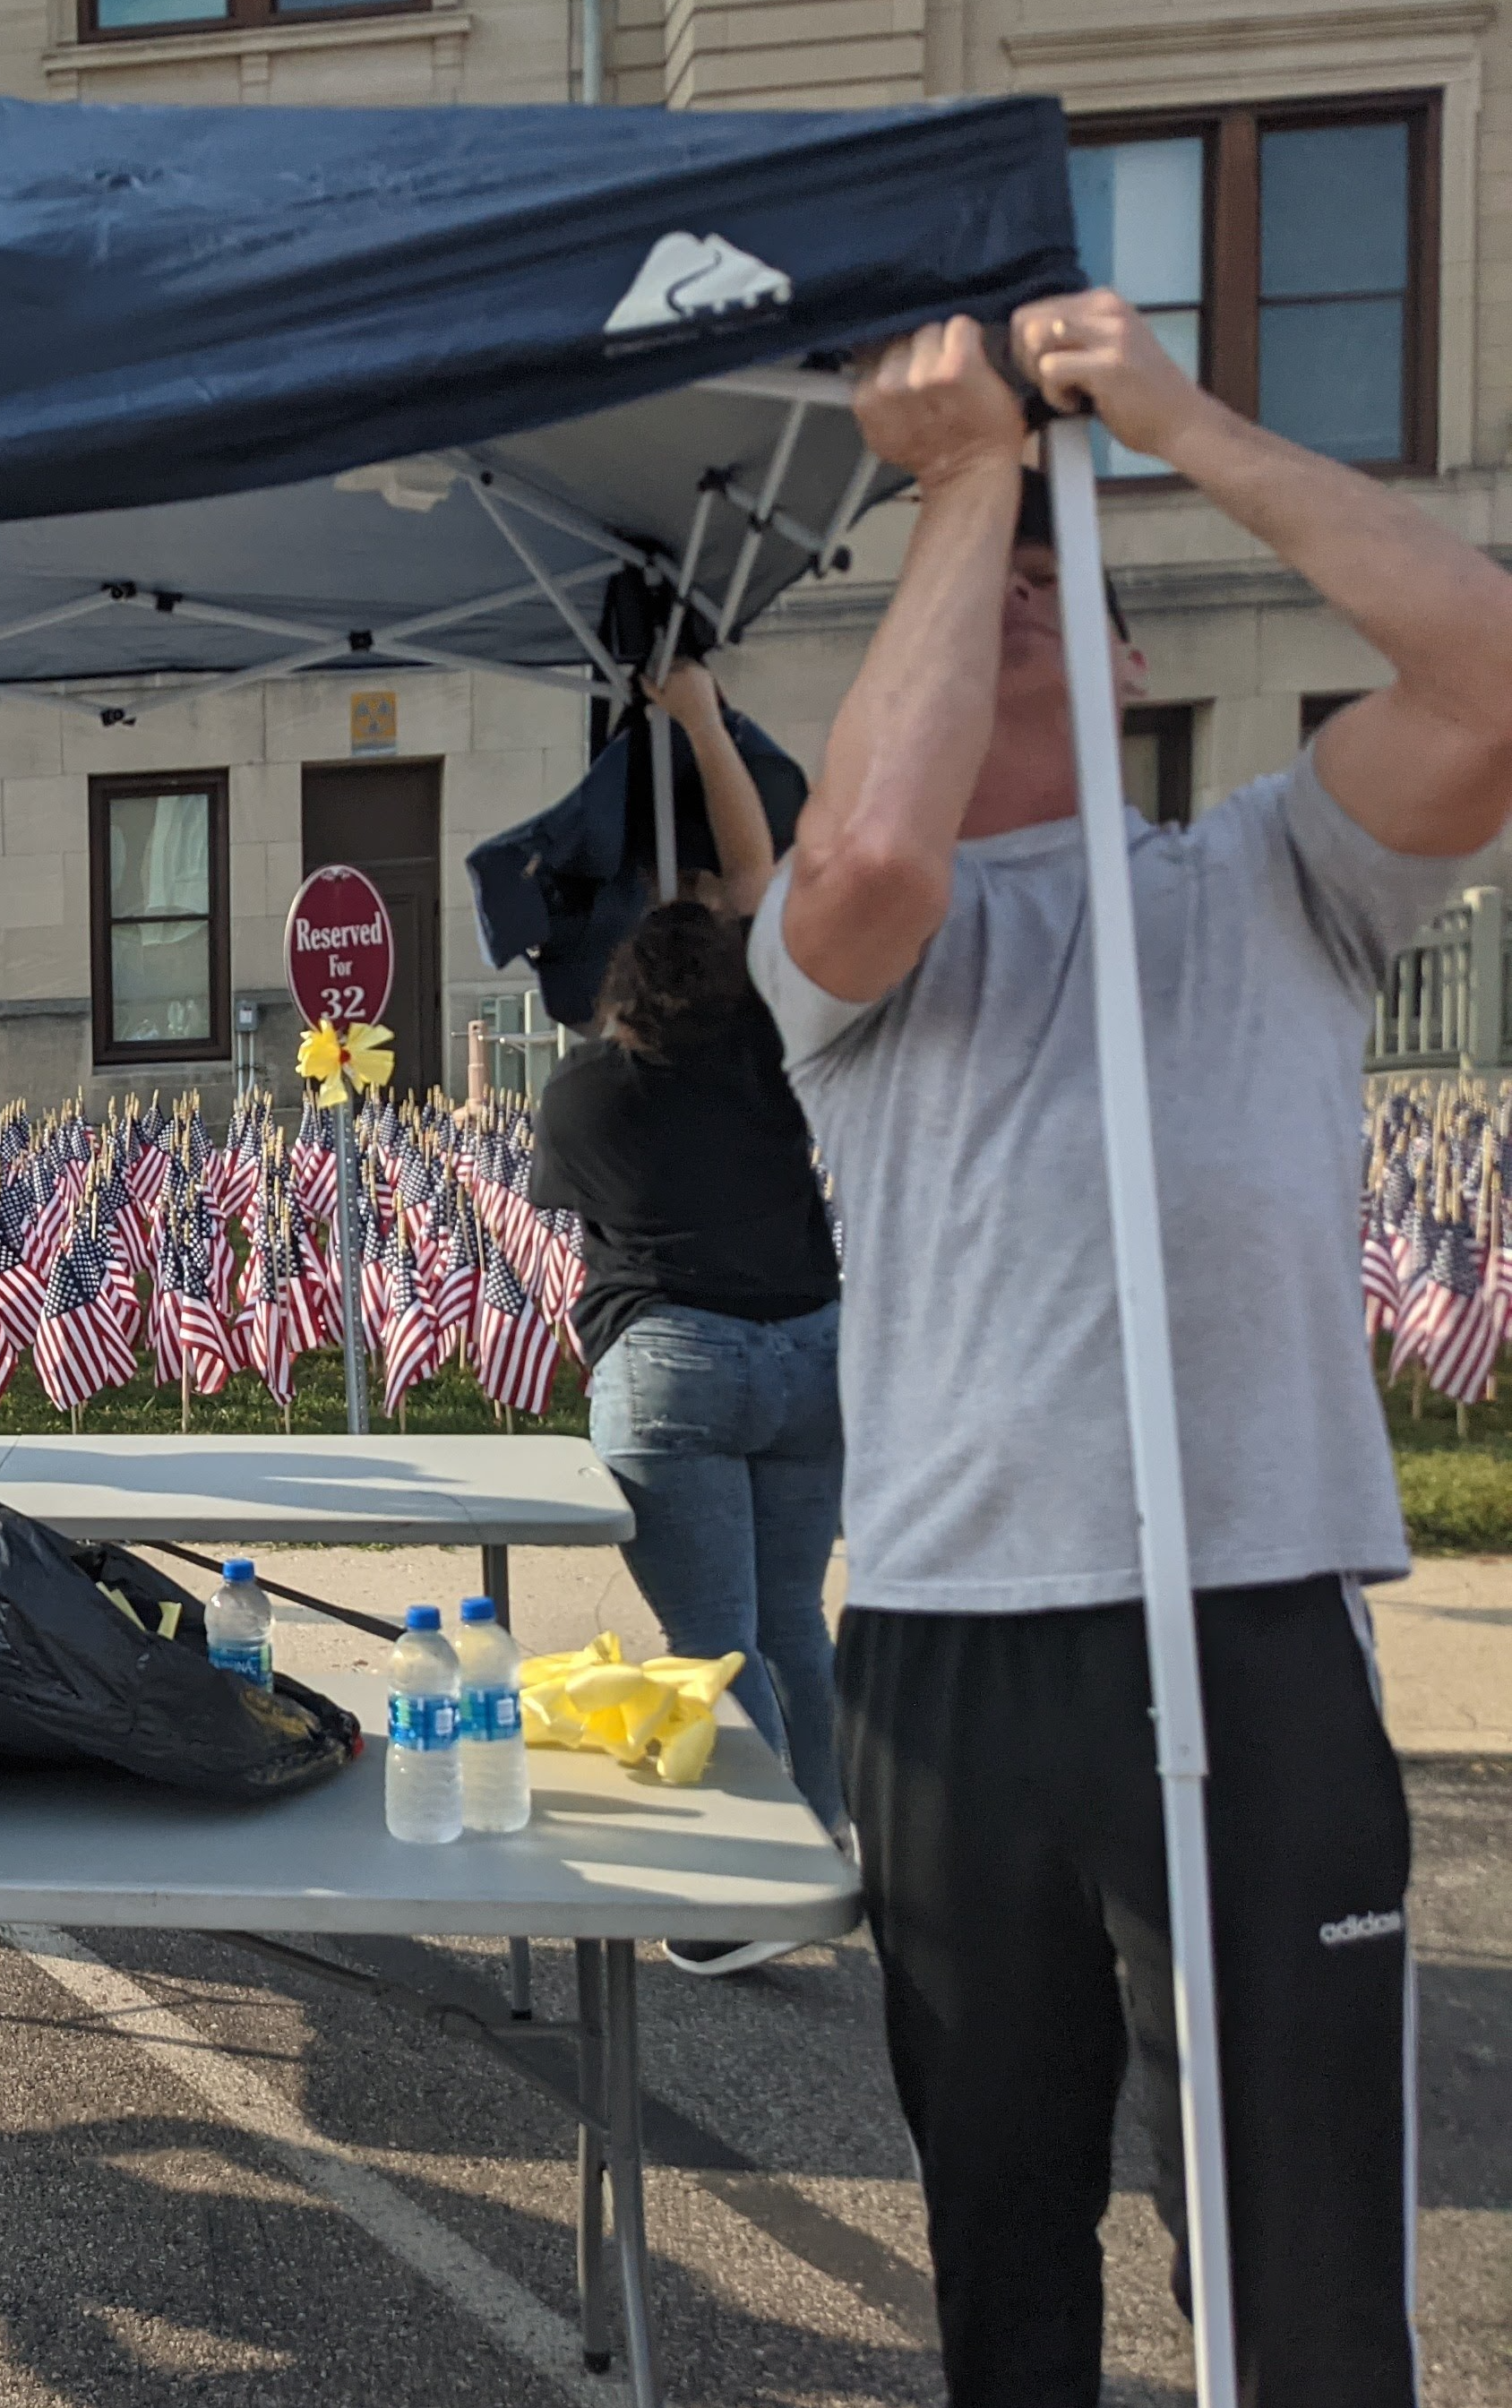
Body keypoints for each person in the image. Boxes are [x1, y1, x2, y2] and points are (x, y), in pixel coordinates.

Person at [760, 292, 1512, 2404]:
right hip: (953, 1649)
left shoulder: (1277, 874)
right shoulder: (847, 953)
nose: (1014, 598)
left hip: (1250, 1627)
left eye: (1057, 593)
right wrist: (969, 476)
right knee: (1005, 2258)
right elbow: (874, 847)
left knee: (1302, 2296)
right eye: (968, 588)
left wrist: (1174, 421)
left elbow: (1490, 672)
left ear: (1130, 661)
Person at [529, 660, 846, 1983]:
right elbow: (761, 886)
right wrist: (706, 725)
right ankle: (821, 1847)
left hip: (675, 1360)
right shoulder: (775, 1040)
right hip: (816, 1350)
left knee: (713, 1648)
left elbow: (578, 1232)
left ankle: (747, 1888)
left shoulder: (581, 1098)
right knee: (789, 1628)